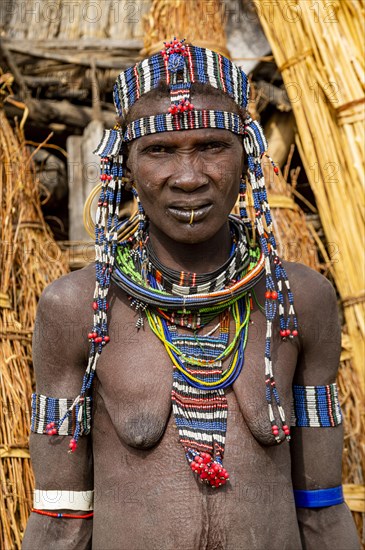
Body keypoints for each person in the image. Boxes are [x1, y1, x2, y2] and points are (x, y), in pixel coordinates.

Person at [23, 40, 359, 550]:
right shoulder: (77, 309)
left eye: (212, 147)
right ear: (125, 166)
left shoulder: (299, 302)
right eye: (159, 151)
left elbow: (323, 510)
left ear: (247, 155)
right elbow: (59, 520)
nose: (188, 177)